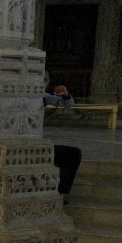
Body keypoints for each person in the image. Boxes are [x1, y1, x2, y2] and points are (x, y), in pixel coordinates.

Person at [43, 71, 82, 203]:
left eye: (45, 80)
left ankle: (59, 192)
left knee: (73, 154)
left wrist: (66, 95)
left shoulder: (45, 97)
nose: (42, 83)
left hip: (37, 146)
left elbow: (69, 104)